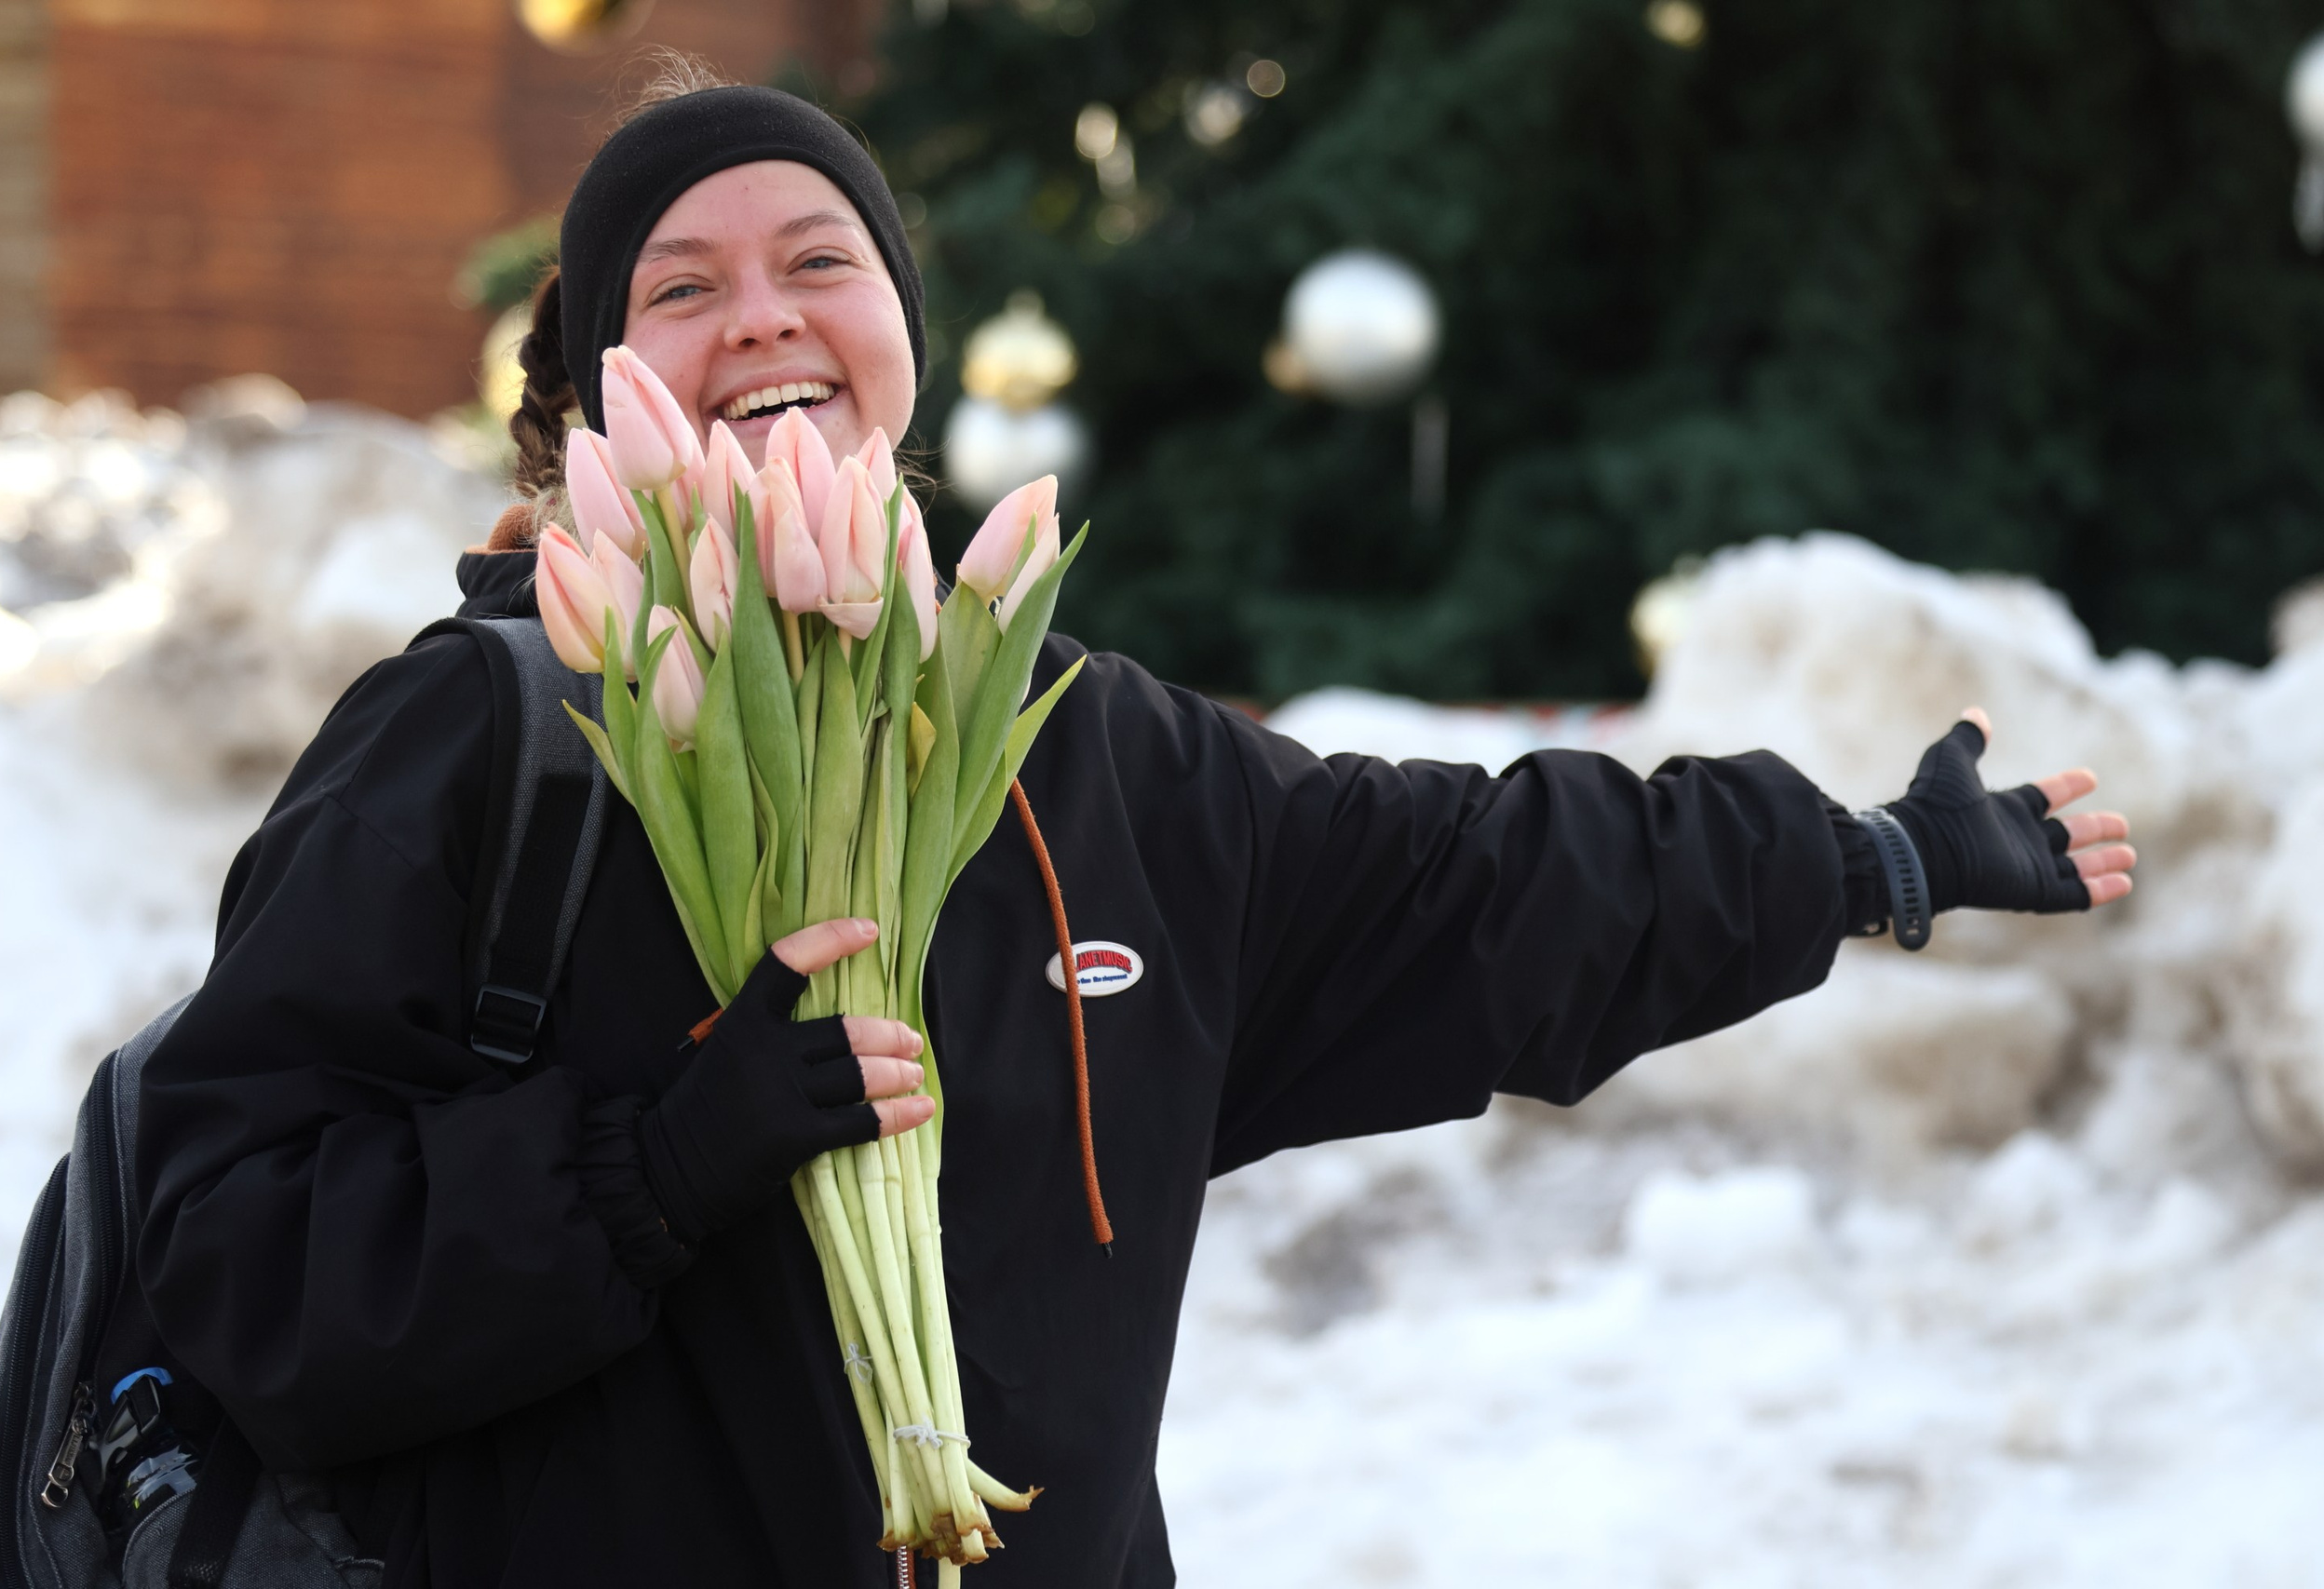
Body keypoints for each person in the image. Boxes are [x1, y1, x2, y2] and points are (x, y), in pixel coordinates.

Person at [131, 74, 2136, 1589]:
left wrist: (1860, 858)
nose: (764, 316)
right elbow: (236, 1256)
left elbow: (1485, 885)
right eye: (682, 286)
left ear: (900, 335)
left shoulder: (1091, 759)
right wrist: (655, 1161)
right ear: (588, 406)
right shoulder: (476, 745)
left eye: (820, 260)